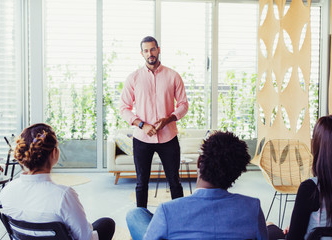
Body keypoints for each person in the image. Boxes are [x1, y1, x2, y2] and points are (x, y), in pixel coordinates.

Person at [126, 131, 268, 240]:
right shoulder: (252, 208)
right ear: (237, 173)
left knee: (135, 214)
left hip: (168, 221)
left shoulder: (167, 210)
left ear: (199, 162)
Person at [0, 123, 115, 240]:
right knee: (106, 224)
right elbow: (85, 237)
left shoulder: (7, 191)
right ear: (54, 153)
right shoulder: (64, 195)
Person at [120, 36, 189, 208]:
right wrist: (142, 124)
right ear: (141, 53)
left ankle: (178, 220)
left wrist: (169, 119)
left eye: (152, 49)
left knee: (174, 181)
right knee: (141, 183)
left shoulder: (173, 76)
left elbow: (183, 105)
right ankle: (141, 219)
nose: (150, 53)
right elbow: (124, 108)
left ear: (159, 49)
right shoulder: (133, 78)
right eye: (146, 50)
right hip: (142, 139)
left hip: (169, 137)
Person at [268, 115, 332, 240]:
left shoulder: (310, 189)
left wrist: (293, 230)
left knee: (269, 228)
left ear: (317, 147)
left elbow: (294, 237)